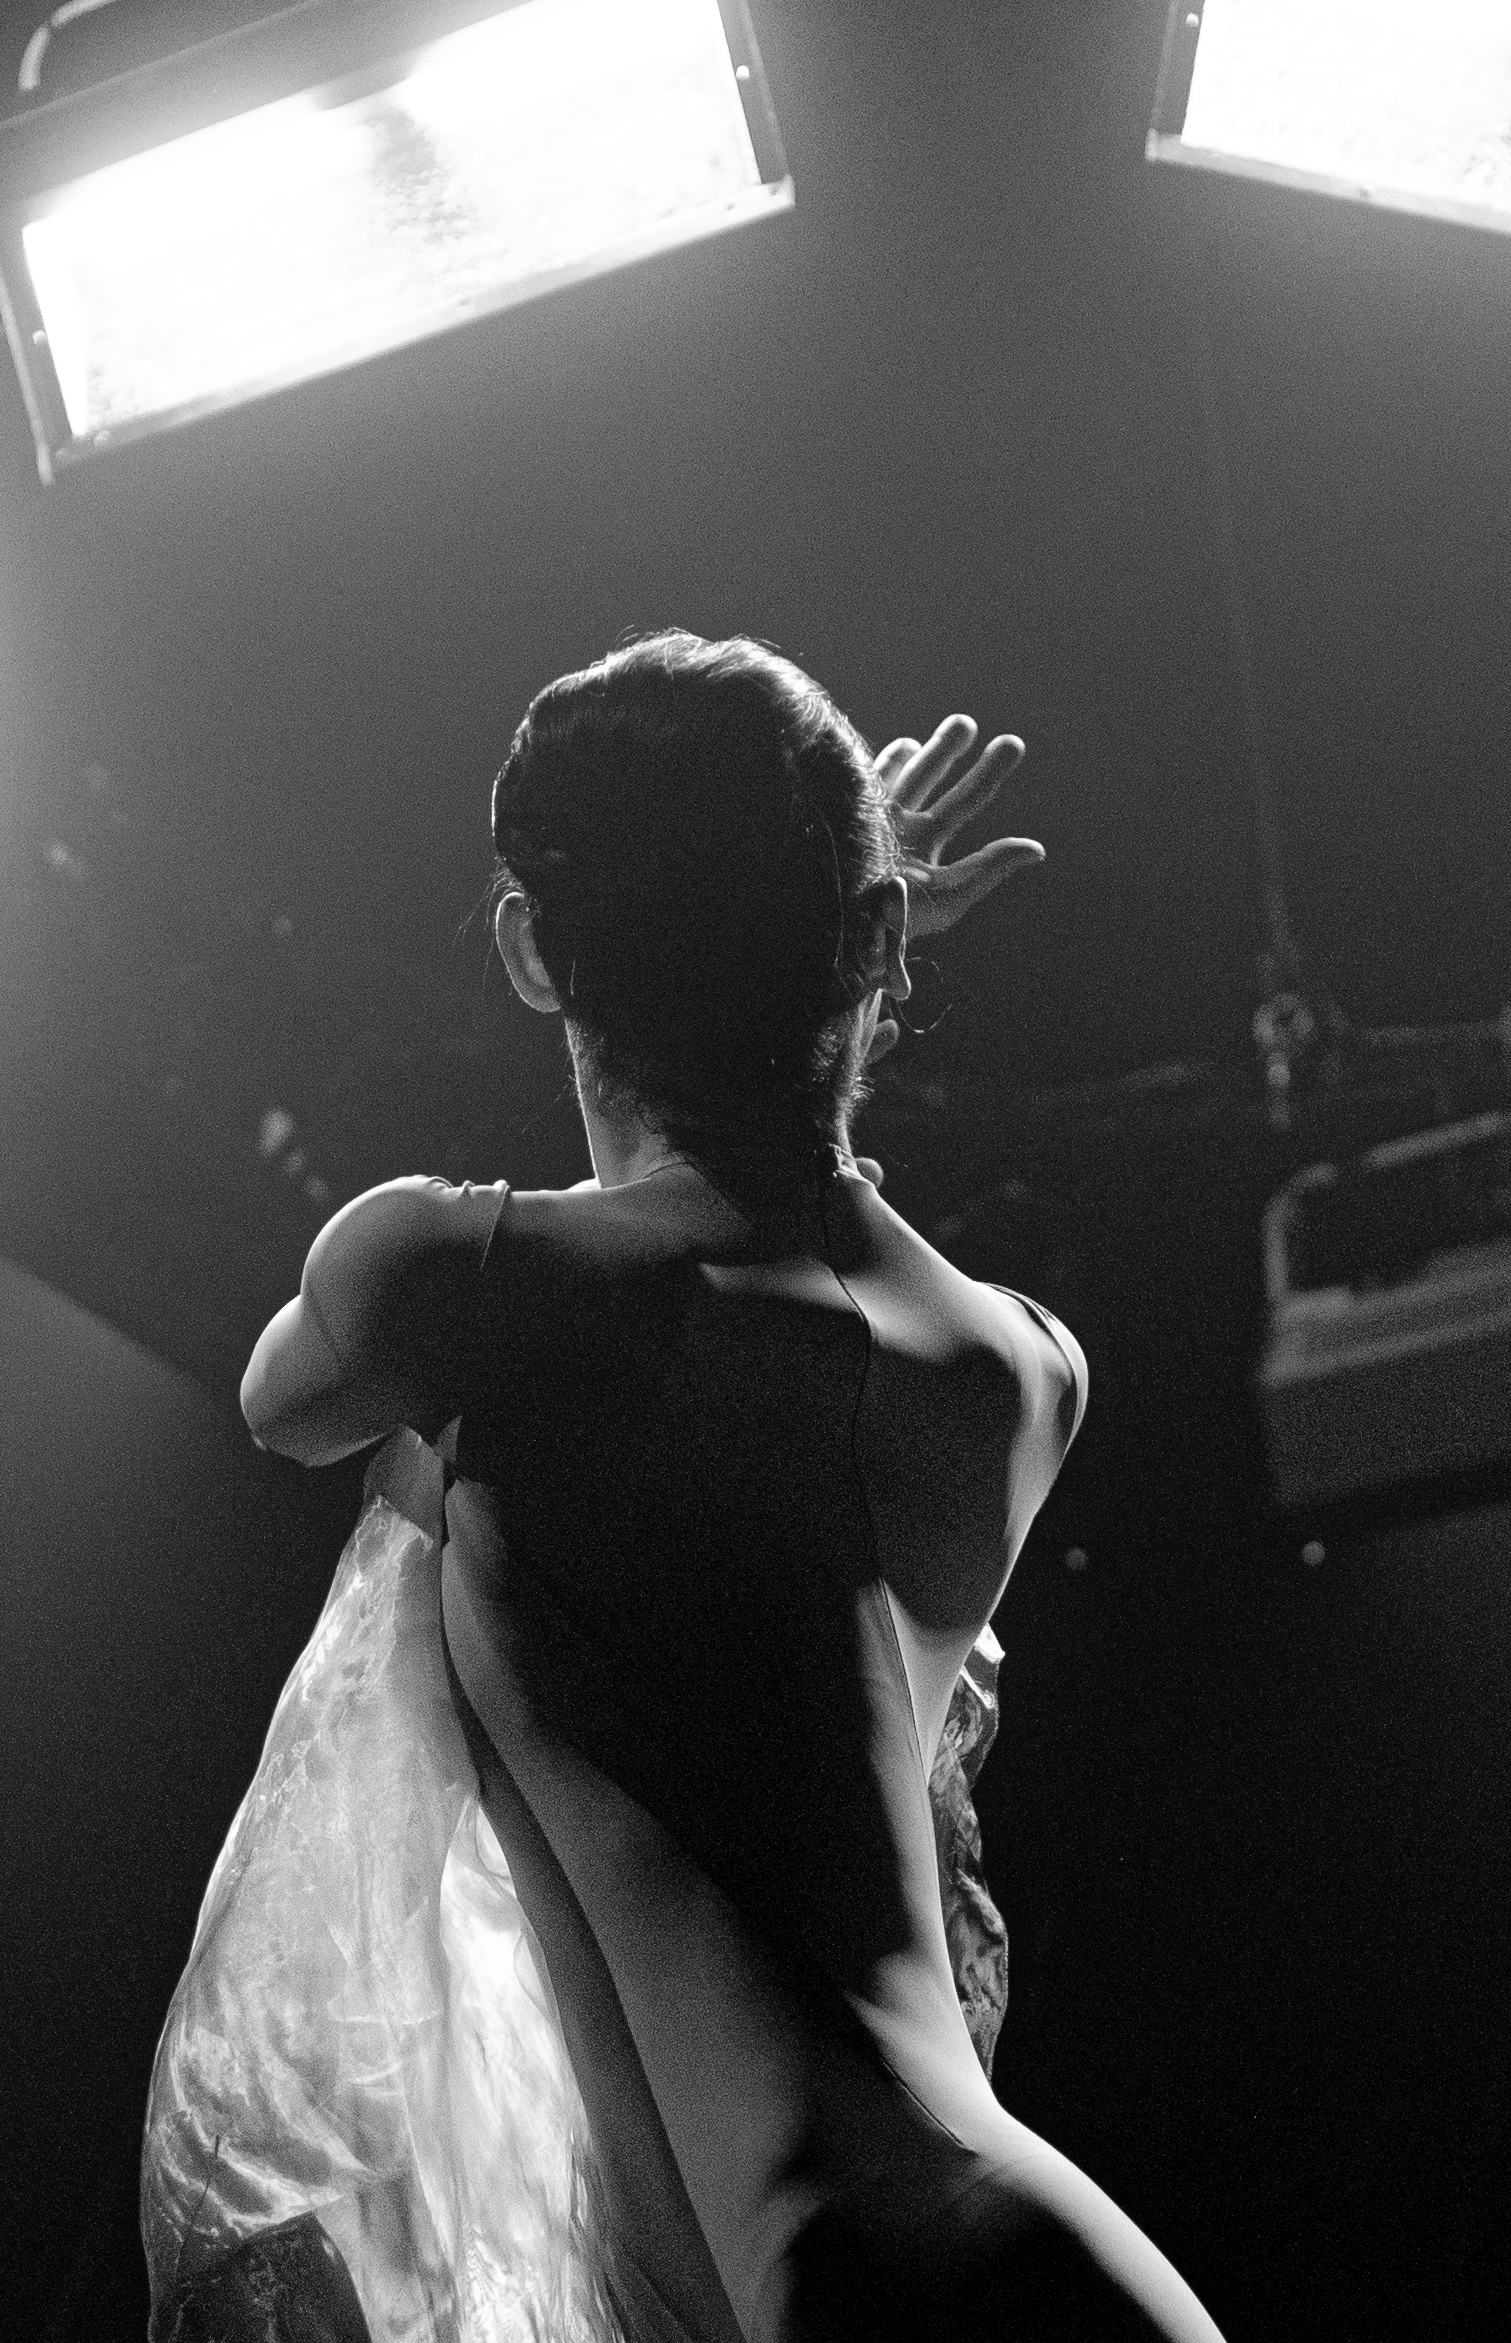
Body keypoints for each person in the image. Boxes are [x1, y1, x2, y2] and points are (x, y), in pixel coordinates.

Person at [148, 633, 1220, 2343]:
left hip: (850, 2289)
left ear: (527, 948)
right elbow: (794, 1287)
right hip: (1057, 2272)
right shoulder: (1022, 1371)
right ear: (874, 936)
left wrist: (827, 955)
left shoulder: (454, 1283)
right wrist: (839, 963)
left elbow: (288, 1404)